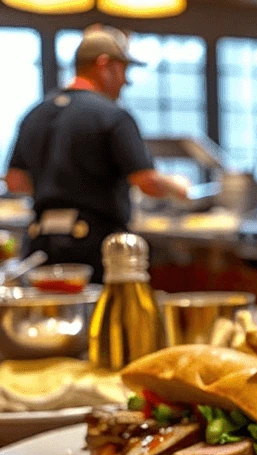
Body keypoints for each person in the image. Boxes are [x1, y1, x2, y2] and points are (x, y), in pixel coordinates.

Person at [3, 26, 189, 282]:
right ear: (104, 65)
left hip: (41, 244)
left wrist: (55, 185)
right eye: (124, 70)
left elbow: (15, 181)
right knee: (99, 318)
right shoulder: (113, 116)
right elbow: (147, 182)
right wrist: (176, 184)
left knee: (50, 318)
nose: (126, 81)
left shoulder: (35, 114)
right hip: (96, 249)